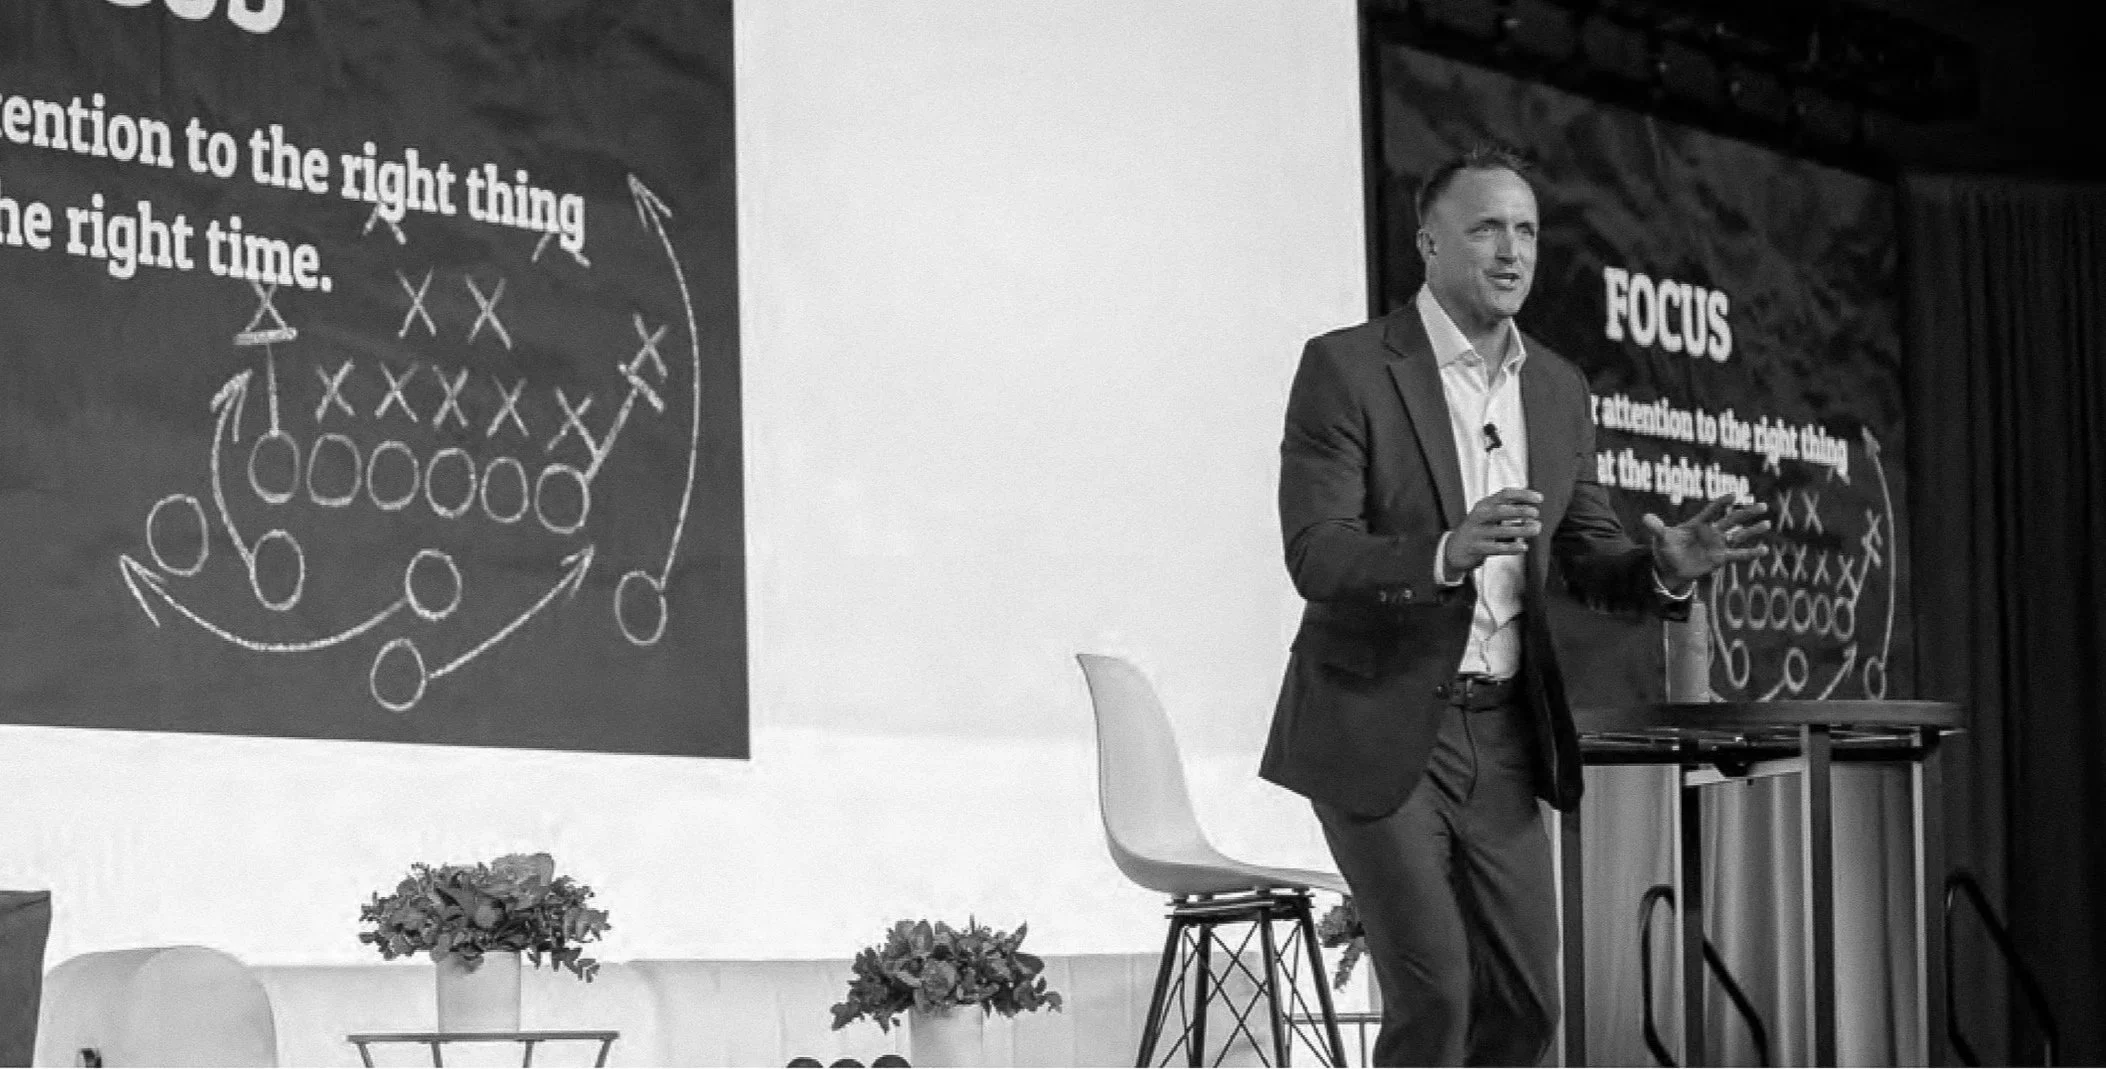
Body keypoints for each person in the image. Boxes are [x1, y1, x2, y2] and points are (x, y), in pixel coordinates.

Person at [1261, 145, 1768, 1067]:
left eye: (1527, 229)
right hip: (1377, 723)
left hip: (1500, 732)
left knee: (1529, 1007)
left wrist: (1669, 567)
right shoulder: (1347, 369)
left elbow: (1589, 557)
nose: (1511, 250)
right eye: (1486, 226)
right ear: (1428, 241)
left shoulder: (1557, 387)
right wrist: (1445, 552)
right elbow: (1316, 551)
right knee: (1438, 999)